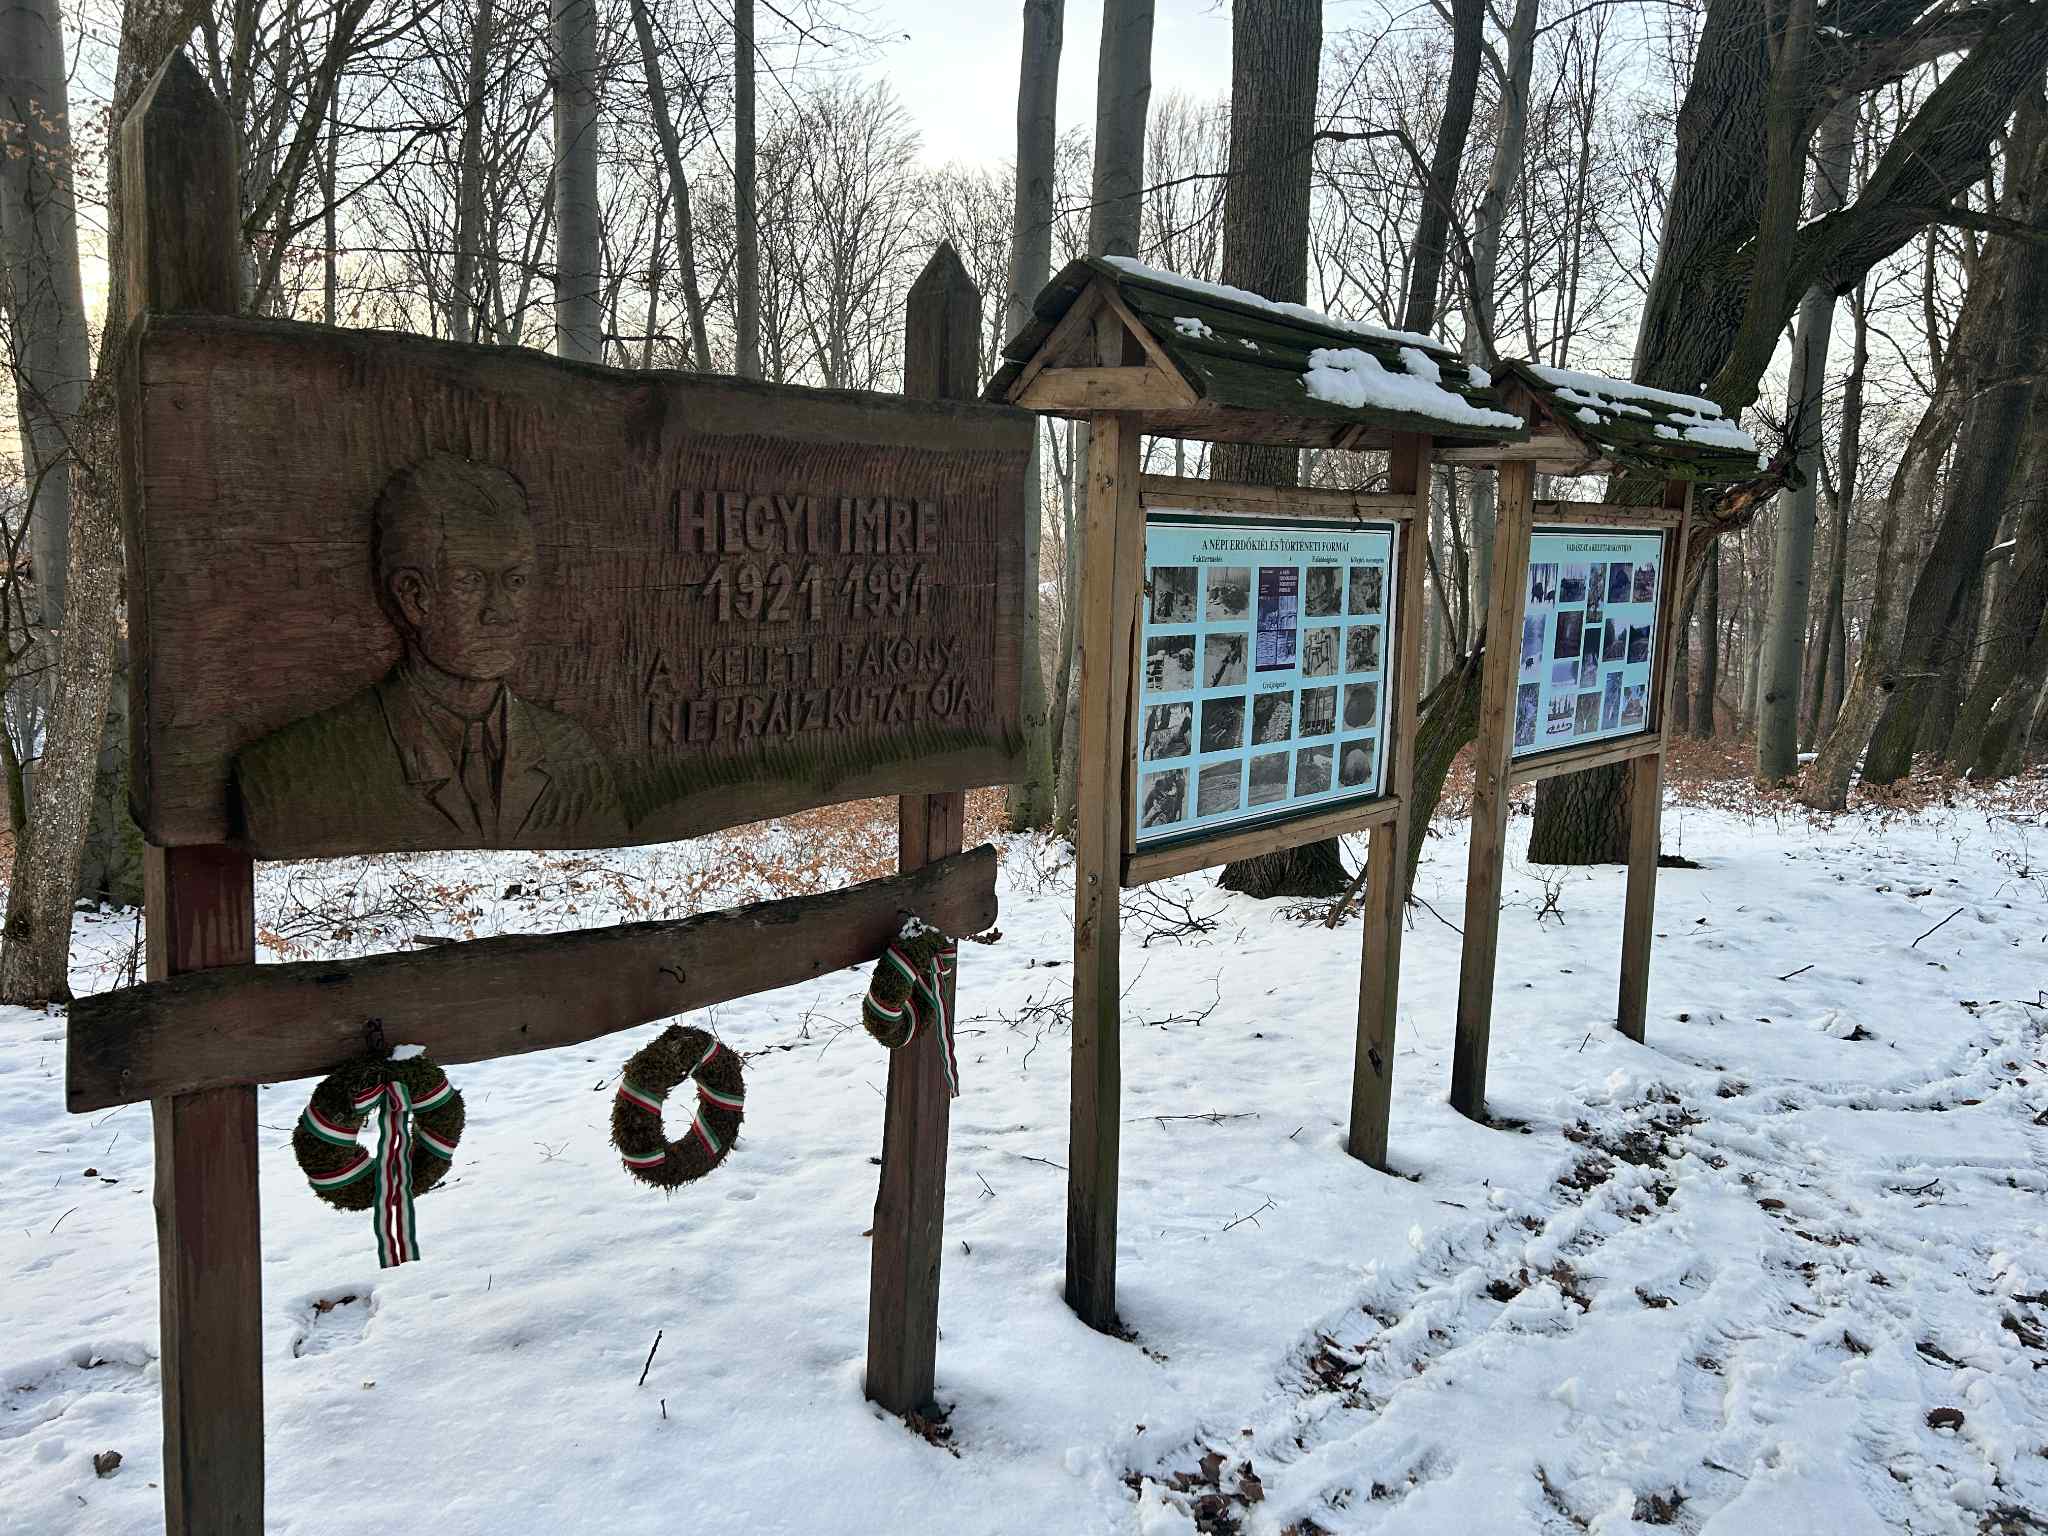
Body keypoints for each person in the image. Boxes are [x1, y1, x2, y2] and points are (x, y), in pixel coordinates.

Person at [234, 453, 625, 852]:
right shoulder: (294, 770)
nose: (501, 612)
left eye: (517, 580)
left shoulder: (574, 754)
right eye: (470, 581)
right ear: (413, 597)